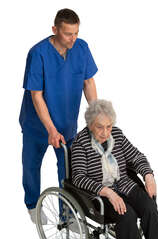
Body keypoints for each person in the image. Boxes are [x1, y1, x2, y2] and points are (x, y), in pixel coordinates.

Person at [71, 99, 158, 239]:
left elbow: (137, 156)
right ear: (90, 125)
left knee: (149, 205)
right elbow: (79, 178)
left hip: (125, 184)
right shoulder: (80, 144)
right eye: (100, 127)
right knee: (126, 214)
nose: (106, 132)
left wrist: (148, 176)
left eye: (109, 126)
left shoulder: (117, 135)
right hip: (101, 194)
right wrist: (108, 192)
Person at [19, 9, 98, 224]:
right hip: (37, 124)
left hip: (67, 122)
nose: (73, 39)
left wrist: (96, 114)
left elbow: (88, 82)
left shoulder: (81, 48)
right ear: (55, 30)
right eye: (67, 34)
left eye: (76, 33)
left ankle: (67, 213)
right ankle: (33, 205)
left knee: (68, 169)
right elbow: (36, 96)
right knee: (31, 165)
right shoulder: (38, 53)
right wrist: (51, 129)